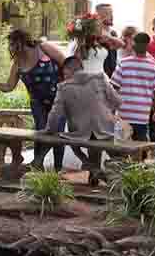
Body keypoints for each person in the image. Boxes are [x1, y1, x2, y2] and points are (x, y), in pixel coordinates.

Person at [0, 28, 68, 170]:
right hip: (37, 103)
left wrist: (68, 85)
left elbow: (66, 63)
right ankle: (38, 168)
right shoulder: (17, 63)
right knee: (40, 132)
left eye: (13, 44)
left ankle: (56, 169)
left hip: (58, 98)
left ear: (21, 41)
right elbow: (9, 86)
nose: (11, 48)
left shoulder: (43, 47)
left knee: (58, 133)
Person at [45, 56, 122, 186]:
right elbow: (117, 101)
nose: (64, 77)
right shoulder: (100, 78)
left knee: (71, 142)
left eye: (65, 73)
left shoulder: (63, 88)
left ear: (70, 70)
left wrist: (48, 130)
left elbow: (54, 115)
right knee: (109, 149)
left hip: (80, 134)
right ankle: (99, 173)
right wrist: (105, 110)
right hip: (106, 129)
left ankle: (94, 170)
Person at [111, 32, 155, 142]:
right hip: (142, 115)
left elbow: (113, 88)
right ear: (148, 46)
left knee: (122, 146)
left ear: (133, 45)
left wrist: (111, 111)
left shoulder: (123, 63)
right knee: (139, 147)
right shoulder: (153, 65)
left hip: (123, 114)